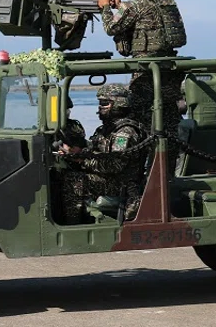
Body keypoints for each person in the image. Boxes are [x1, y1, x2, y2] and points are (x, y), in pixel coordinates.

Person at [97, 0, 187, 173]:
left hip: (147, 74)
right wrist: (121, 7)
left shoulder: (136, 4)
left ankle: (142, 179)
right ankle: (167, 173)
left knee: (142, 126)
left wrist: (105, 8)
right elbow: (146, 21)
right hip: (169, 72)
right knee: (168, 122)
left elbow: (112, 27)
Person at [59, 84, 149, 224]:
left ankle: (73, 226)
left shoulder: (124, 132)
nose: (100, 107)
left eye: (105, 104)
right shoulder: (107, 129)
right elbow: (96, 149)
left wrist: (81, 159)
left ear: (119, 104)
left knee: (74, 180)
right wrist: (75, 151)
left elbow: (115, 165)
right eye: (100, 103)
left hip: (122, 183)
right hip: (109, 179)